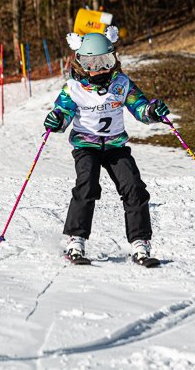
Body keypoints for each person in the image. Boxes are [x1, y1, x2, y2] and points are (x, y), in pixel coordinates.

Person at [43, 26, 170, 265]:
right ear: (80, 64)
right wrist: (56, 120)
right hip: (86, 146)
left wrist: (152, 111)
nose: (99, 68)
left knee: (133, 186)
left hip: (115, 147)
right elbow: (63, 113)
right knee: (87, 185)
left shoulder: (121, 84)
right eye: (91, 63)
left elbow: (140, 108)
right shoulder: (73, 88)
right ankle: (75, 240)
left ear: (113, 60)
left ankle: (140, 242)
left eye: (105, 61)